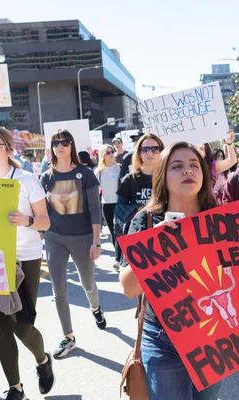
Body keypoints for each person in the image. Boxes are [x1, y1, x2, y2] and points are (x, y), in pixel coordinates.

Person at [119, 141, 223, 400]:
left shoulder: (221, 219)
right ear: (162, 177)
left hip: (214, 335)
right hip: (162, 339)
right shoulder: (146, 220)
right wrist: (155, 246)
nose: (188, 171)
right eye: (177, 166)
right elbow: (129, 288)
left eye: (194, 165)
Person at [0, 124, 54, 400]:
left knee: (22, 325)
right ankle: (16, 388)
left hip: (25, 259)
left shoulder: (27, 180)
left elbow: (46, 221)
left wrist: (27, 220)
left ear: (8, 148)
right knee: (1, 326)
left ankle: (43, 361)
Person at [40, 129, 107, 360]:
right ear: (51, 147)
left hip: (83, 238)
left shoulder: (86, 173)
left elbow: (95, 210)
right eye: (56, 142)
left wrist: (96, 242)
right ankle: (69, 337)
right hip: (54, 237)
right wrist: (40, 238)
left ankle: (96, 309)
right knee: (59, 290)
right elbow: (43, 211)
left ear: (71, 145)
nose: (60, 146)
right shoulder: (46, 176)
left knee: (88, 284)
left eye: (65, 142)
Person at [114, 134, 165, 267]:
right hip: (137, 238)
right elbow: (119, 209)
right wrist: (140, 211)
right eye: (145, 149)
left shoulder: (168, 178)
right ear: (139, 153)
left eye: (155, 149)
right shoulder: (130, 179)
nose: (150, 153)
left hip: (164, 238)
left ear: (161, 152)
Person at [95, 144, 121, 270]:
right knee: (113, 231)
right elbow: (95, 190)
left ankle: (118, 257)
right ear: (102, 155)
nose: (111, 154)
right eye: (108, 152)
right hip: (107, 204)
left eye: (112, 151)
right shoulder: (99, 172)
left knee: (120, 231)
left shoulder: (119, 168)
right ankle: (119, 256)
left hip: (120, 203)